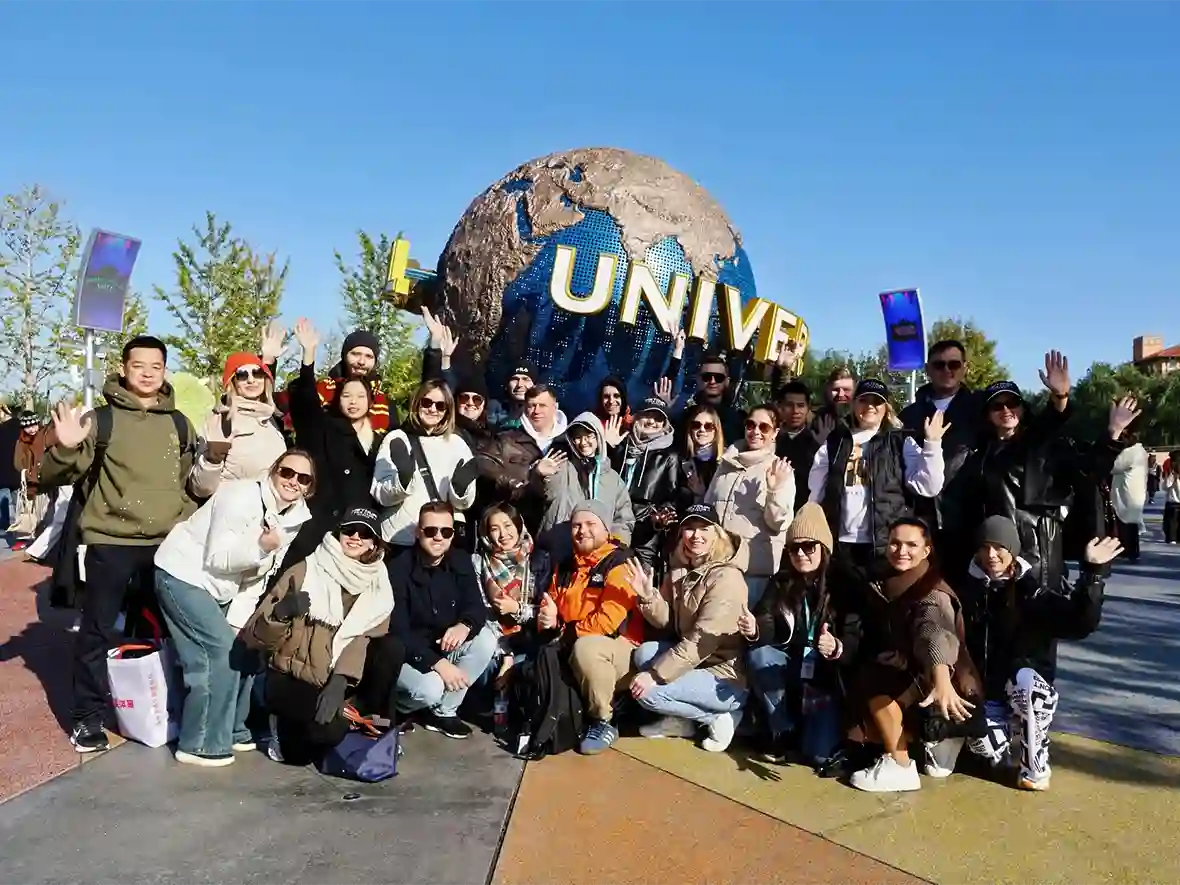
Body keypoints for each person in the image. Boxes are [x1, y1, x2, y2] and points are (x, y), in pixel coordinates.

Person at [40, 335, 198, 753]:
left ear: (164, 370)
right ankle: (87, 717)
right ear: (123, 369)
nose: (147, 373)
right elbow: (55, 475)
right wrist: (65, 448)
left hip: (166, 545)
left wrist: (182, 522)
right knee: (97, 631)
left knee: (170, 631)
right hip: (111, 542)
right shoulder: (101, 419)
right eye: (138, 365)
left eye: (156, 366)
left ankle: (166, 708)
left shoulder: (180, 423)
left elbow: (185, 483)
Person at [153, 451, 315, 766]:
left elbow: (261, 575)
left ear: (309, 487)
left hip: (222, 588)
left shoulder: (294, 517)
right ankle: (199, 744)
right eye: (287, 472)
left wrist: (239, 624)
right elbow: (218, 557)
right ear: (273, 471)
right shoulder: (240, 496)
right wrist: (260, 547)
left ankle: (232, 729)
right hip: (183, 574)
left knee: (243, 648)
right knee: (217, 655)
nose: (293, 481)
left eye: (303, 478)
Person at [959, 516, 1119, 790]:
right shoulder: (966, 590)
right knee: (973, 753)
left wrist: (1092, 574)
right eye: (985, 547)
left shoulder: (1031, 592)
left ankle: (1034, 761)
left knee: (1028, 686)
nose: (991, 555)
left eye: (999, 547)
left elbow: (1081, 622)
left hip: (1022, 688)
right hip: (983, 694)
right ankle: (1000, 739)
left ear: (1013, 550)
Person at [246, 507, 394, 764]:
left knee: (392, 648)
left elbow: (363, 639)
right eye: (349, 530)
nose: (355, 537)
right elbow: (253, 638)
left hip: (335, 677)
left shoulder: (378, 582)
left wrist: (340, 680)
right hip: (292, 675)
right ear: (338, 533)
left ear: (374, 543)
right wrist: (280, 614)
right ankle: (280, 722)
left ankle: (361, 716)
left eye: (365, 533)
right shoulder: (306, 570)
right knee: (304, 752)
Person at [848, 518, 980, 793]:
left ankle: (901, 764)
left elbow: (934, 632)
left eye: (911, 545)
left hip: (946, 684)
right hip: (914, 672)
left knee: (875, 679)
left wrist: (941, 677)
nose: (901, 551)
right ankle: (923, 739)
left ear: (926, 550)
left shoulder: (932, 591)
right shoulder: (884, 579)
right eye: (895, 543)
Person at [626, 504, 748, 753]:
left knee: (647, 692)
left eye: (704, 528)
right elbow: (668, 622)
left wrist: (656, 675)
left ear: (717, 534)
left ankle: (716, 718)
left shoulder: (727, 578)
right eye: (689, 528)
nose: (696, 535)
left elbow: (701, 642)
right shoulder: (681, 569)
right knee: (644, 653)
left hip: (723, 677)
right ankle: (682, 721)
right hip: (696, 664)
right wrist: (649, 597)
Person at [808, 378, 946, 587]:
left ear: (886, 408)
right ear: (854, 404)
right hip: (841, 547)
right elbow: (816, 494)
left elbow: (929, 487)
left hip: (886, 548)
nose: (870, 406)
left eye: (877, 402)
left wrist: (932, 444)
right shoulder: (834, 443)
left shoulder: (900, 441)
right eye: (864, 400)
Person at [740, 503, 847, 765]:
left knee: (818, 755)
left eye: (808, 546)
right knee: (760, 655)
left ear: (824, 548)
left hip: (826, 677)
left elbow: (855, 633)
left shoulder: (844, 583)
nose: (800, 554)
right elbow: (766, 618)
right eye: (794, 548)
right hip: (792, 666)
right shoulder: (782, 581)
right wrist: (755, 629)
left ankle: (809, 729)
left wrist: (836, 646)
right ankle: (783, 729)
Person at [538, 500, 642, 755]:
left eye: (590, 524)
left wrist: (564, 634)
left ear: (606, 529)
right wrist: (549, 621)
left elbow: (606, 623)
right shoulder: (565, 566)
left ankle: (603, 720)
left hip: (620, 650)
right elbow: (552, 607)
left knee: (586, 648)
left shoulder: (620, 564)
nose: (582, 531)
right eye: (576, 525)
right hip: (572, 641)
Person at [388, 502, 497, 739]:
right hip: (409, 654)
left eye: (445, 531)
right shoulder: (398, 569)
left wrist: (465, 625)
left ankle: (443, 712)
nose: (438, 537)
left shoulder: (460, 560)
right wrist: (437, 664)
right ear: (418, 532)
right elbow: (398, 631)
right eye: (430, 531)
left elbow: (476, 607)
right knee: (430, 688)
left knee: (486, 640)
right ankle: (399, 707)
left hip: (442, 645)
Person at [281, 319, 383, 569]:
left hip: (355, 532)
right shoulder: (327, 427)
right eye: (347, 395)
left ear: (371, 402)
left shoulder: (379, 437)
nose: (353, 402)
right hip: (318, 525)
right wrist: (309, 355)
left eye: (360, 396)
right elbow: (305, 406)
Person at [705, 403, 795, 606]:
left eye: (764, 427)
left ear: (775, 433)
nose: (756, 431)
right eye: (751, 425)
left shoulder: (780, 470)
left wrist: (774, 490)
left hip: (751, 571)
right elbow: (709, 508)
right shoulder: (725, 464)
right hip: (715, 564)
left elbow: (778, 523)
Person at [371, 380, 479, 547]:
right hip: (401, 536)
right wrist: (402, 482)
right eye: (427, 402)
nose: (432, 409)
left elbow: (465, 503)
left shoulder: (457, 443)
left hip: (442, 537)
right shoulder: (397, 438)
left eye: (440, 406)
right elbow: (380, 494)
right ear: (417, 403)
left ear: (447, 411)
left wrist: (460, 490)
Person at [899, 340, 982, 545]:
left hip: (969, 524)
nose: (947, 370)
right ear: (928, 369)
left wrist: (1057, 400)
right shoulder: (908, 417)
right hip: (921, 526)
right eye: (939, 365)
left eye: (954, 364)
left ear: (965, 368)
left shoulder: (982, 410)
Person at [534, 412, 634, 559]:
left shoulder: (614, 479)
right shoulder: (560, 468)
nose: (583, 442)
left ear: (599, 437)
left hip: (599, 558)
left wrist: (613, 548)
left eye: (589, 436)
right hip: (559, 552)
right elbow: (542, 494)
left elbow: (624, 519)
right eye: (577, 437)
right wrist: (539, 475)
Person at [472, 503, 553, 685]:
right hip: (495, 639)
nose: (503, 534)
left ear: (518, 526)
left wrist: (516, 608)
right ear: (486, 534)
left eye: (508, 525)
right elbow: (483, 610)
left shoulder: (540, 559)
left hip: (531, 637)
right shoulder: (479, 563)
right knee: (487, 666)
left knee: (524, 668)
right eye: (494, 529)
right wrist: (505, 653)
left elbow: (546, 612)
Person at [188, 351, 287, 499]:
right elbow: (200, 489)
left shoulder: (271, 418)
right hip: (232, 508)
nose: (251, 380)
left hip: (270, 509)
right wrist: (213, 459)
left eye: (257, 373)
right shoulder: (221, 420)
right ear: (232, 382)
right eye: (242, 375)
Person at [272, 325, 395, 433]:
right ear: (344, 356)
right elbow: (286, 403)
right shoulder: (325, 389)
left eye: (369, 356)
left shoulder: (383, 402)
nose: (362, 361)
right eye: (355, 354)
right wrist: (269, 361)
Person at [611, 397, 679, 575]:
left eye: (658, 419)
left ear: (664, 424)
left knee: (638, 584)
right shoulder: (620, 448)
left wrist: (658, 519)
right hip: (614, 527)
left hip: (645, 534)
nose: (652, 422)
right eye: (647, 416)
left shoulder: (669, 456)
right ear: (636, 417)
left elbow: (672, 497)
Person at [774, 381, 819, 512]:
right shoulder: (770, 440)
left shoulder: (817, 447)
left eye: (800, 406)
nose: (795, 411)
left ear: (808, 408)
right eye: (789, 405)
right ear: (780, 407)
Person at [675, 404, 725, 511]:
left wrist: (702, 494)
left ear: (716, 430)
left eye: (708, 426)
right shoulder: (679, 460)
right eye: (696, 425)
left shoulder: (726, 461)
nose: (702, 430)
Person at [1111, 432, 1148, 561]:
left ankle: (1127, 551)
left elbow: (1114, 467)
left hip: (1128, 494)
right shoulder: (1140, 451)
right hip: (1135, 491)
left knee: (1125, 523)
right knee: (1131, 523)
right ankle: (1132, 551)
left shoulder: (1130, 453)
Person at [487, 361, 538, 431]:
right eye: (515, 379)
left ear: (534, 385)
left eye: (526, 379)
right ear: (506, 385)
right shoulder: (495, 409)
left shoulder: (542, 411)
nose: (520, 385)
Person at [1163, 453, 1180, 545]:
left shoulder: (1171, 473)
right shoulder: (1172, 473)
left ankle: (1172, 538)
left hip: (1172, 501)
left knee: (1171, 522)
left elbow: (1165, 486)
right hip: (1174, 501)